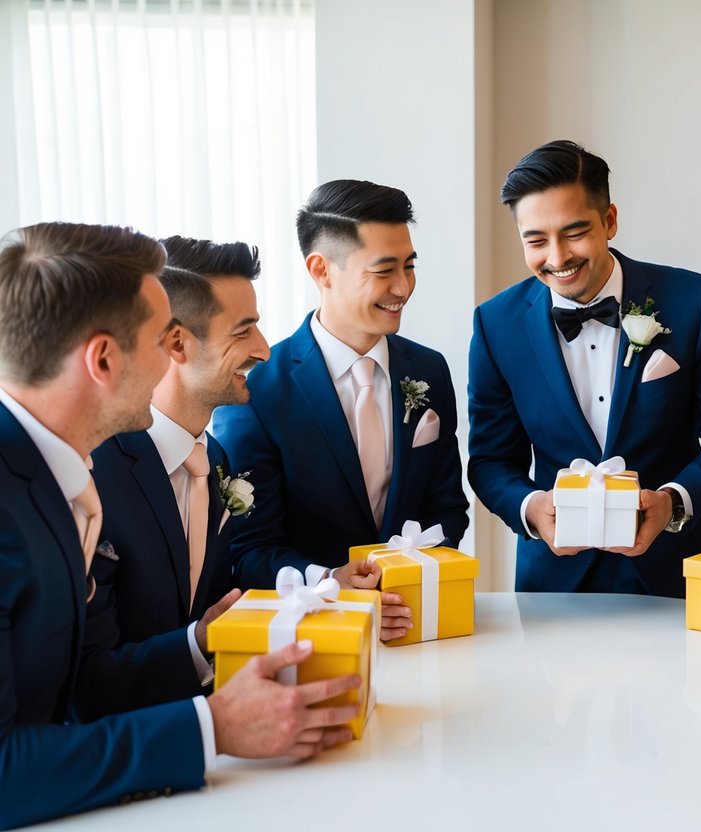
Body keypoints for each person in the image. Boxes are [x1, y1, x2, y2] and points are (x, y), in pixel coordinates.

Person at [0, 222, 360, 830]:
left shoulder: (54, 470)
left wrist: (204, 641)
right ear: (103, 359)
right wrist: (210, 728)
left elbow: (77, 678)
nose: (166, 360)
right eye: (156, 340)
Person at [468, 140, 701, 597]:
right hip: (554, 584)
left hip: (675, 574)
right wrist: (531, 509)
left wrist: (674, 501)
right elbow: (490, 460)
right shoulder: (495, 324)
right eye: (536, 240)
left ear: (609, 221)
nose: (557, 258)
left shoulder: (693, 301)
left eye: (574, 233)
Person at [213, 180, 469, 641]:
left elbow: (448, 508)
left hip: (417, 628)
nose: (403, 287)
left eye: (409, 266)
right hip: (314, 640)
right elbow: (249, 549)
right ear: (321, 270)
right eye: (384, 270)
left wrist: (405, 577)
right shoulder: (257, 391)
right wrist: (330, 582)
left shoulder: (429, 369)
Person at [77, 237, 270, 721]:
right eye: (243, 330)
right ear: (177, 343)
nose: (264, 350)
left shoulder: (215, 458)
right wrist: (197, 643)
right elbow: (85, 681)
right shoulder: (92, 471)